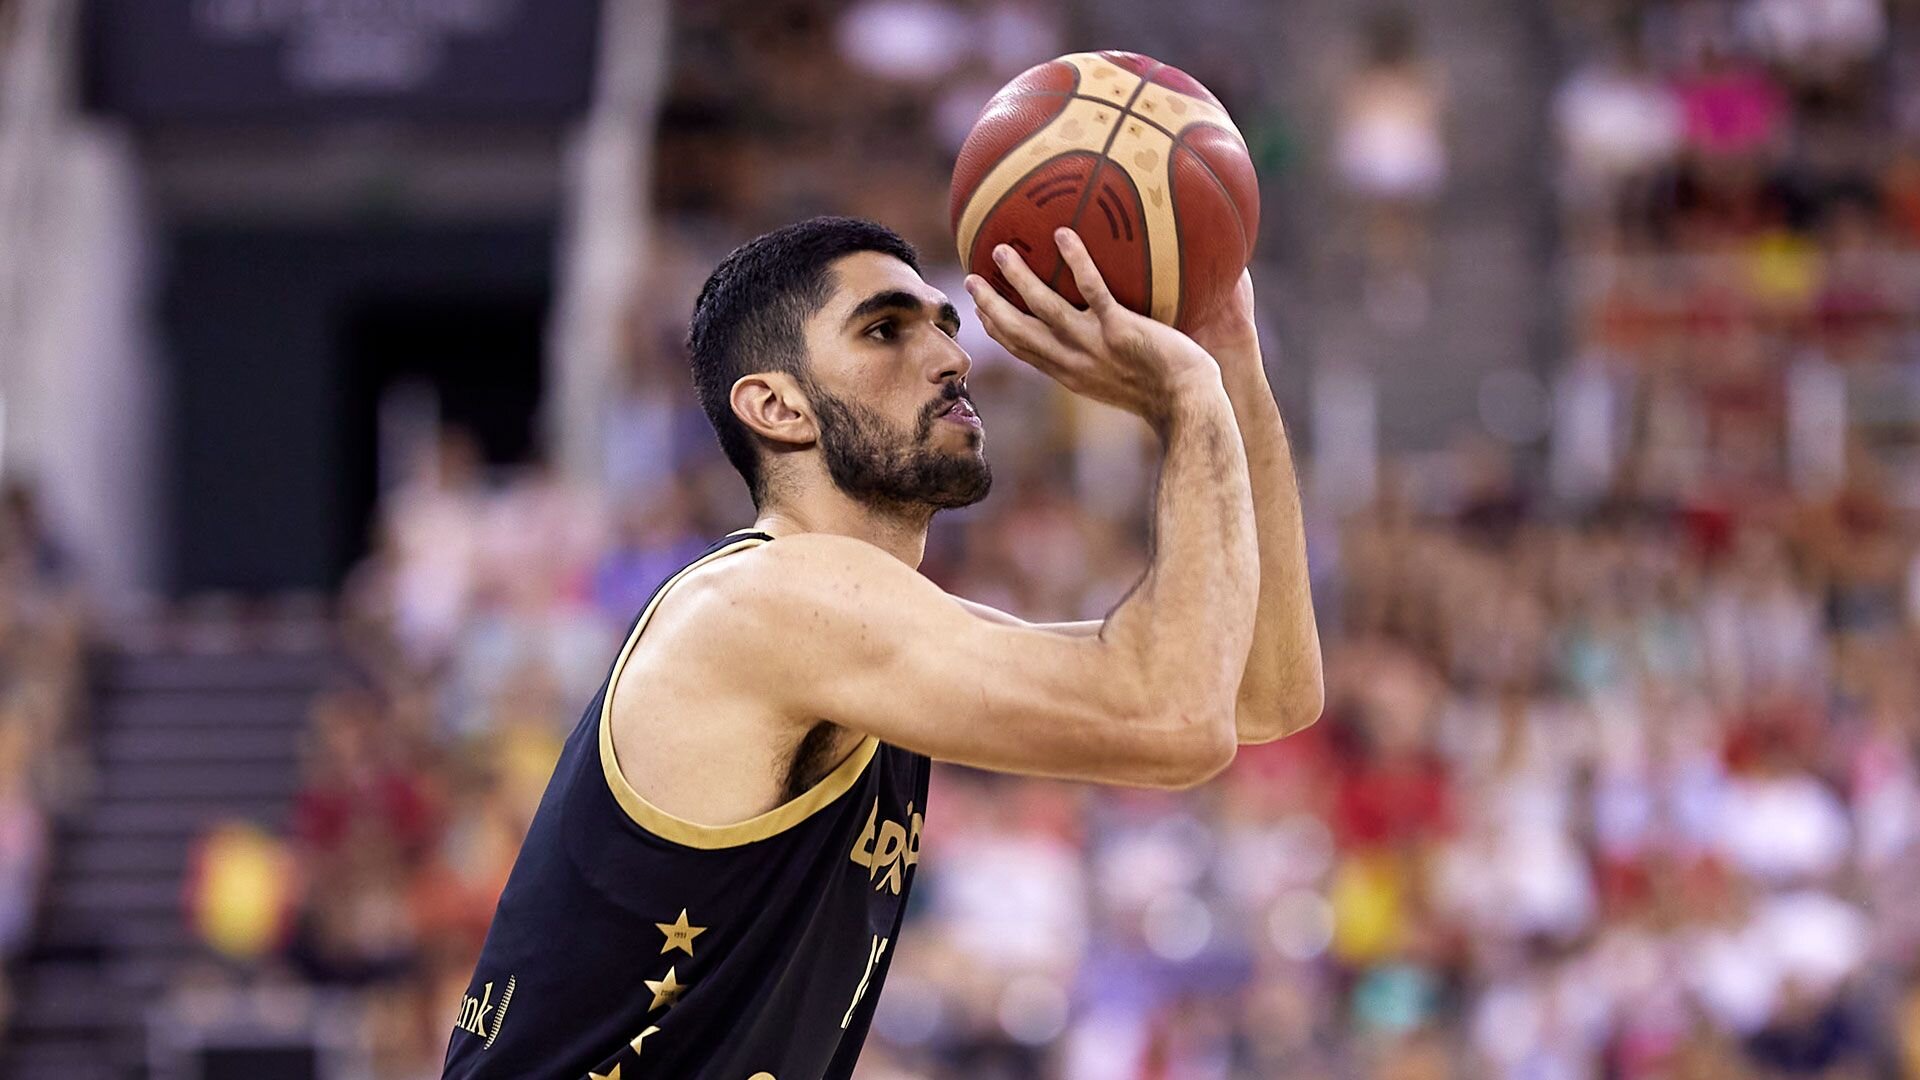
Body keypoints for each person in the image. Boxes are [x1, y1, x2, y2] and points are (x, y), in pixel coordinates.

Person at [441, 216, 1324, 1079]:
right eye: (885, 330)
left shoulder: (872, 625)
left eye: (943, 325)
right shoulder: (770, 602)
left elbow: (1260, 692)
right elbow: (1176, 717)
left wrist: (1231, 356)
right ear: (777, 405)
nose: (951, 356)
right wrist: (1189, 396)